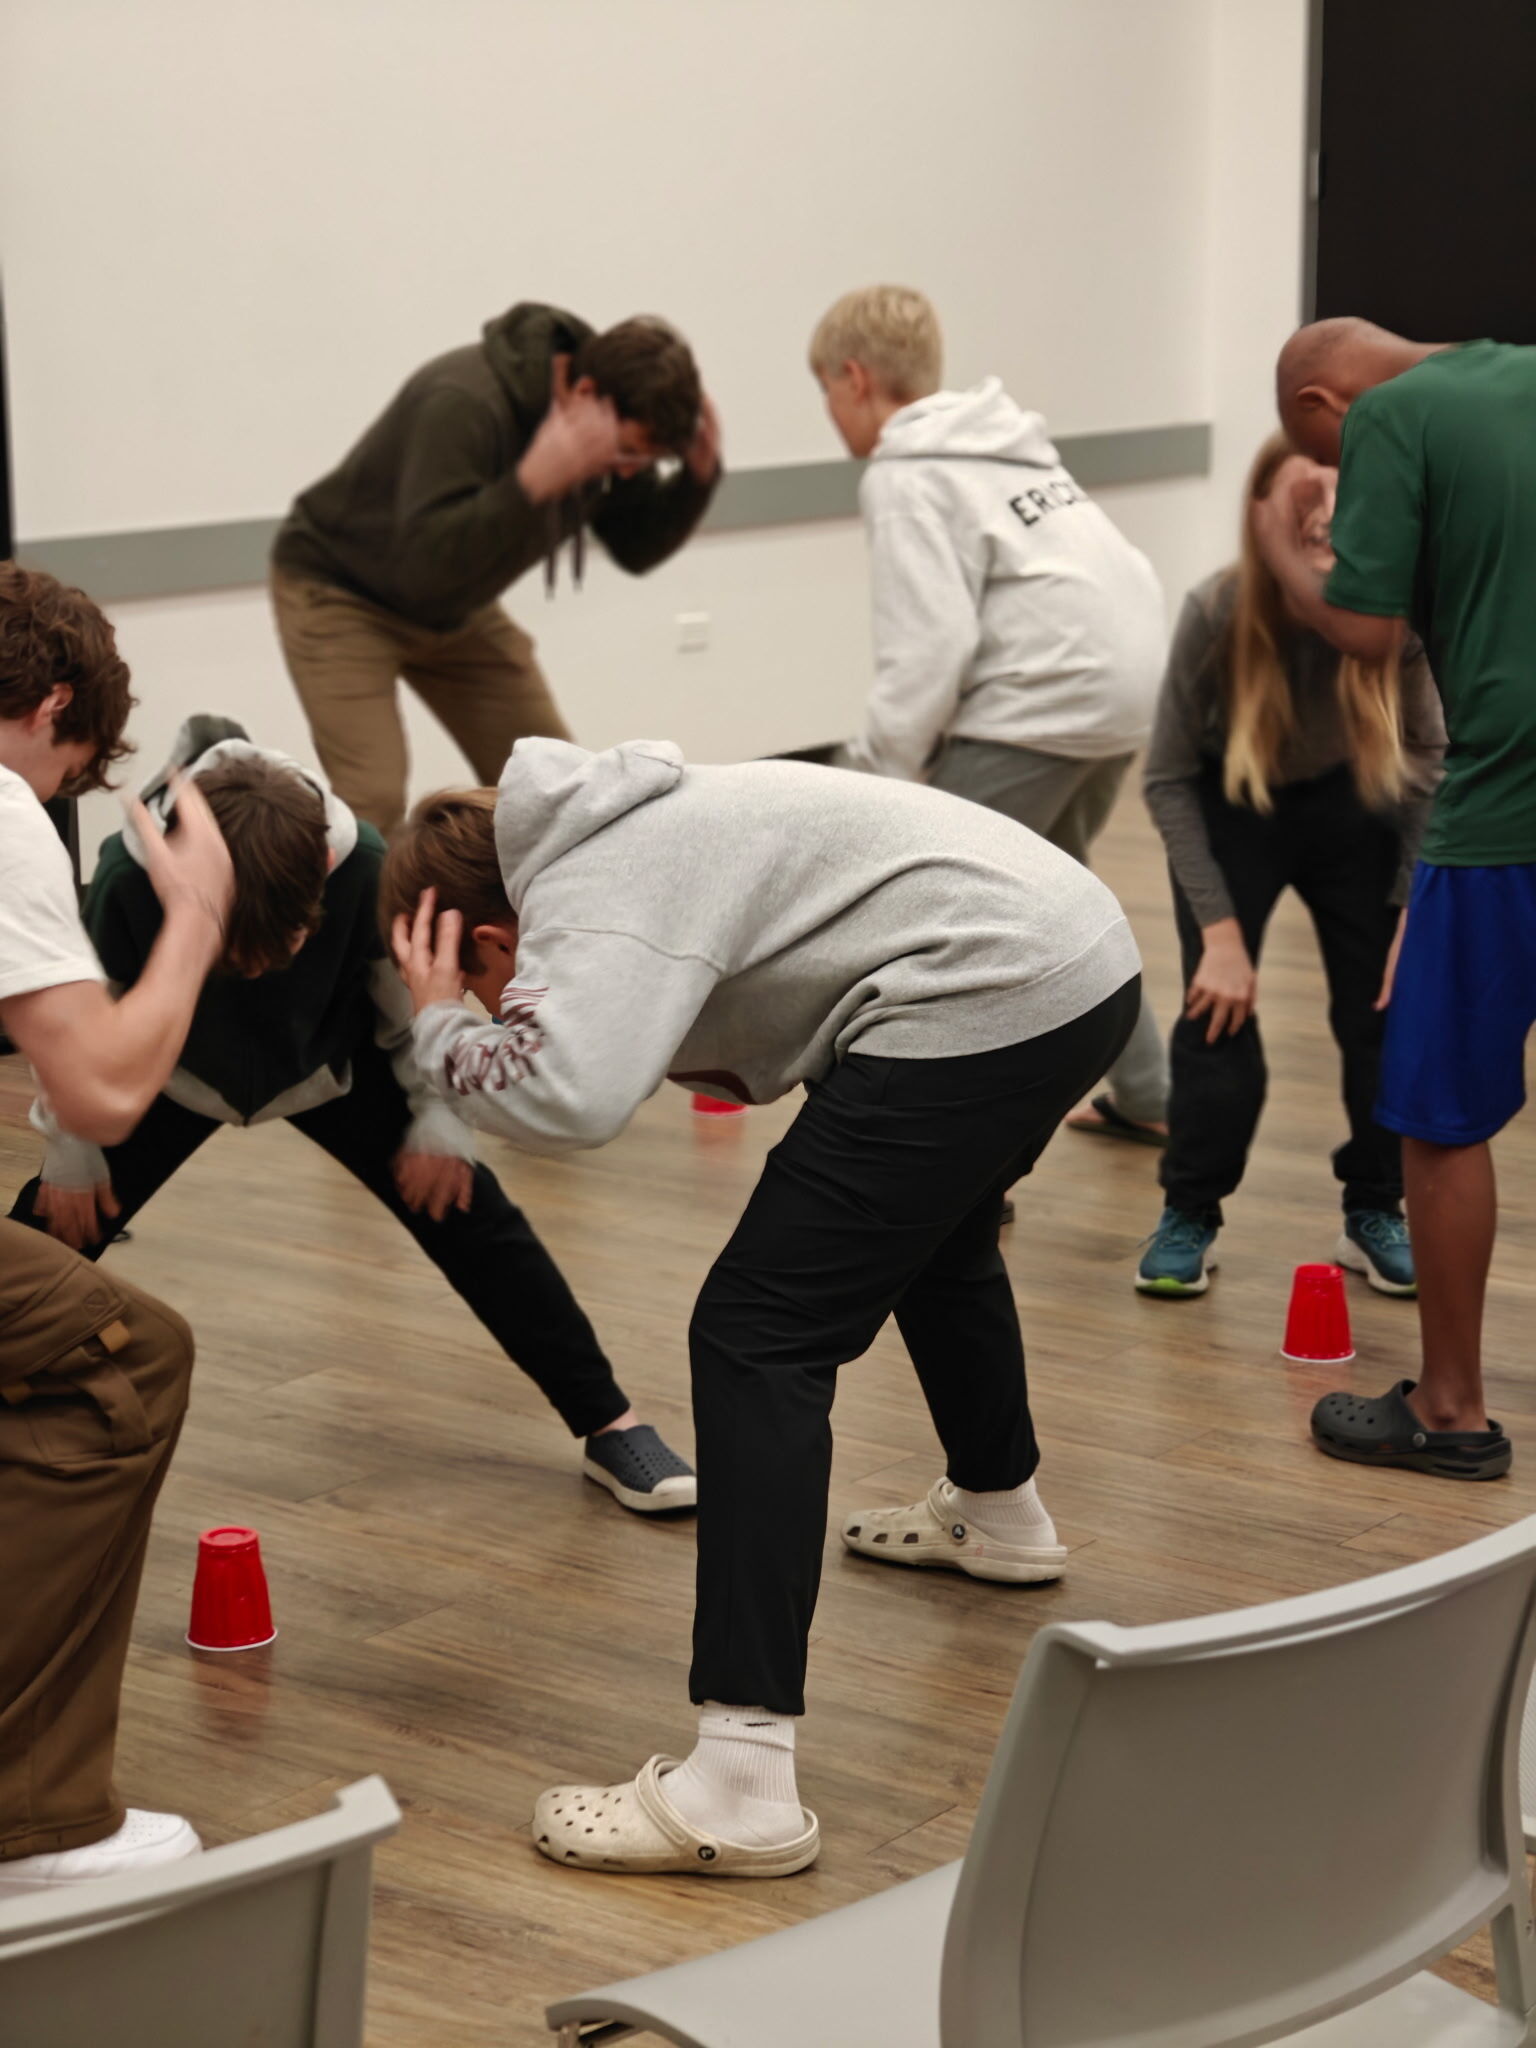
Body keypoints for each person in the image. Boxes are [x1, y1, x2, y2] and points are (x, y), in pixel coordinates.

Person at [380, 734, 1141, 1876]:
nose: (496, 1004)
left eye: (481, 981)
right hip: (1072, 959)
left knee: (755, 1332)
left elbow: (572, 1095)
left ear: (489, 938)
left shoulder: (590, 898)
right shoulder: (600, 842)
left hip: (987, 984)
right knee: (934, 1236)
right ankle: (1000, 1509)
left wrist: (443, 1026)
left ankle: (739, 1781)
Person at [11, 717, 694, 1513]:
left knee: (473, 1214)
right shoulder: (132, 874)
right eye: (244, 954)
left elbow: (409, 1011)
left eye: (287, 946)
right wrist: (73, 1150)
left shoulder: (365, 865)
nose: (264, 967)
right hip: (168, 1067)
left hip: (338, 1060)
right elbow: (81, 1024)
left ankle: (611, 1423)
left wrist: (441, 1120)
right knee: (51, 1233)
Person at [1264, 316, 1536, 1480]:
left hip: (1508, 806)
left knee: (1436, 1111)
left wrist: (1286, 542)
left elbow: (1367, 628)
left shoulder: (1386, 418)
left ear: (1325, 402)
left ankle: (1452, 1406)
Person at [0, 564, 235, 1893]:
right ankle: (26, 1826)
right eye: (69, 772)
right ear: (51, 703)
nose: (59, 800)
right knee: (122, 1357)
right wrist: (192, 917)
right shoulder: (0, 801)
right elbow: (102, 1084)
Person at [807, 283, 1169, 1145]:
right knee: (1070, 882)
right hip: (1120, 695)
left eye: (823, 392)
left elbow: (928, 648)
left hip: (1036, 709)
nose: (829, 412)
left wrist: (878, 779)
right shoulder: (1007, 447)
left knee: (940, 921)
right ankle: (1154, 1091)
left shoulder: (905, 472)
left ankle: (940, 1159)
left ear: (855, 379)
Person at [1136, 434, 1444, 1298]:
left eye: (1341, 500)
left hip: (1349, 802)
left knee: (1382, 1008)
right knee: (1218, 1013)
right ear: (1264, 518)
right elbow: (1162, 778)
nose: (1325, 518)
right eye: (1303, 500)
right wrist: (1220, 937)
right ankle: (1189, 1210)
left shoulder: (1394, 613)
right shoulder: (1218, 611)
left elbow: (1426, 765)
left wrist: (1412, 910)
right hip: (1230, 802)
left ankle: (1373, 1207)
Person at [270, 302, 723, 834]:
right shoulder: (463, 401)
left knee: (560, 784)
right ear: (585, 394)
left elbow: (635, 548)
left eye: (641, 463)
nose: (625, 472)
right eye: (624, 452)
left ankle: (549, 914)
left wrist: (698, 478)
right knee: (373, 799)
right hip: (341, 592)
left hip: (455, 602)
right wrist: (531, 481)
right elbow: (424, 563)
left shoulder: (606, 428)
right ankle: (363, 918)